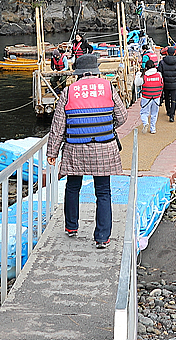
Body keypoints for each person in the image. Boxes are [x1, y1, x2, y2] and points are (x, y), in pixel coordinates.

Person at [46, 54, 127, 249]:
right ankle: (102, 237)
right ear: (96, 70)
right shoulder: (108, 87)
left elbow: (58, 126)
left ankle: (71, 226)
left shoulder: (68, 91)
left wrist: (52, 152)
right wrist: (107, 126)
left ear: (78, 72)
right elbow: (123, 116)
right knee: (103, 191)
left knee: (73, 187)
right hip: (104, 147)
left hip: (76, 148)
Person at [157, 47, 176, 122]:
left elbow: (159, 71)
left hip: (165, 82)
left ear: (167, 53)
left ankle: (168, 111)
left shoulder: (162, 62)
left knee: (167, 98)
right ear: (174, 53)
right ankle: (172, 115)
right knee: (174, 99)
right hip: (174, 82)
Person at [139, 57, 164, 134]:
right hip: (156, 97)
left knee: (144, 113)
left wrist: (138, 75)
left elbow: (137, 83)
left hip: (146, 97)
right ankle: (153, 128)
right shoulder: (159, 74)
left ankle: (145, 122)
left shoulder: (144, 76)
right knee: (154, 113)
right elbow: (162, 84)